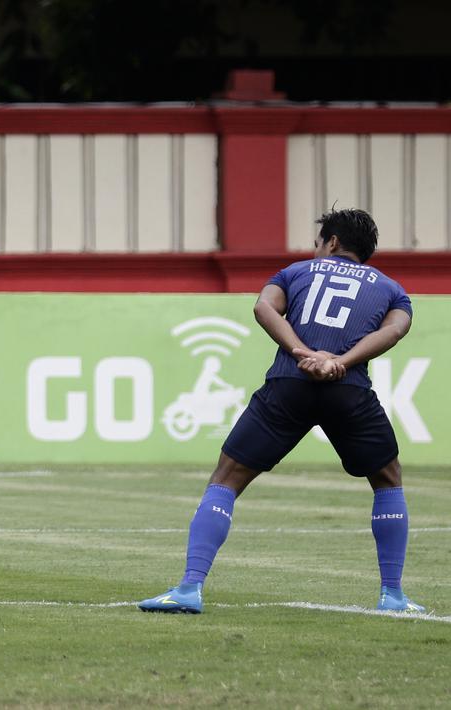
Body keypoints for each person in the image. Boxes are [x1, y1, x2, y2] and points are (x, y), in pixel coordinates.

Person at [139, 207, 424, 615]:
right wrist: (339, 361)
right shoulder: (392, 289)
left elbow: (263, 308)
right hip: (348, 389)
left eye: (317, 243)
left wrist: (302, 352)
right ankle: (392, 596)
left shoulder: (294, 273)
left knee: (227, 477)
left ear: (333, 243)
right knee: (387, 478)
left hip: (289, 383)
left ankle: (189, 588)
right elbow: (394, 330)